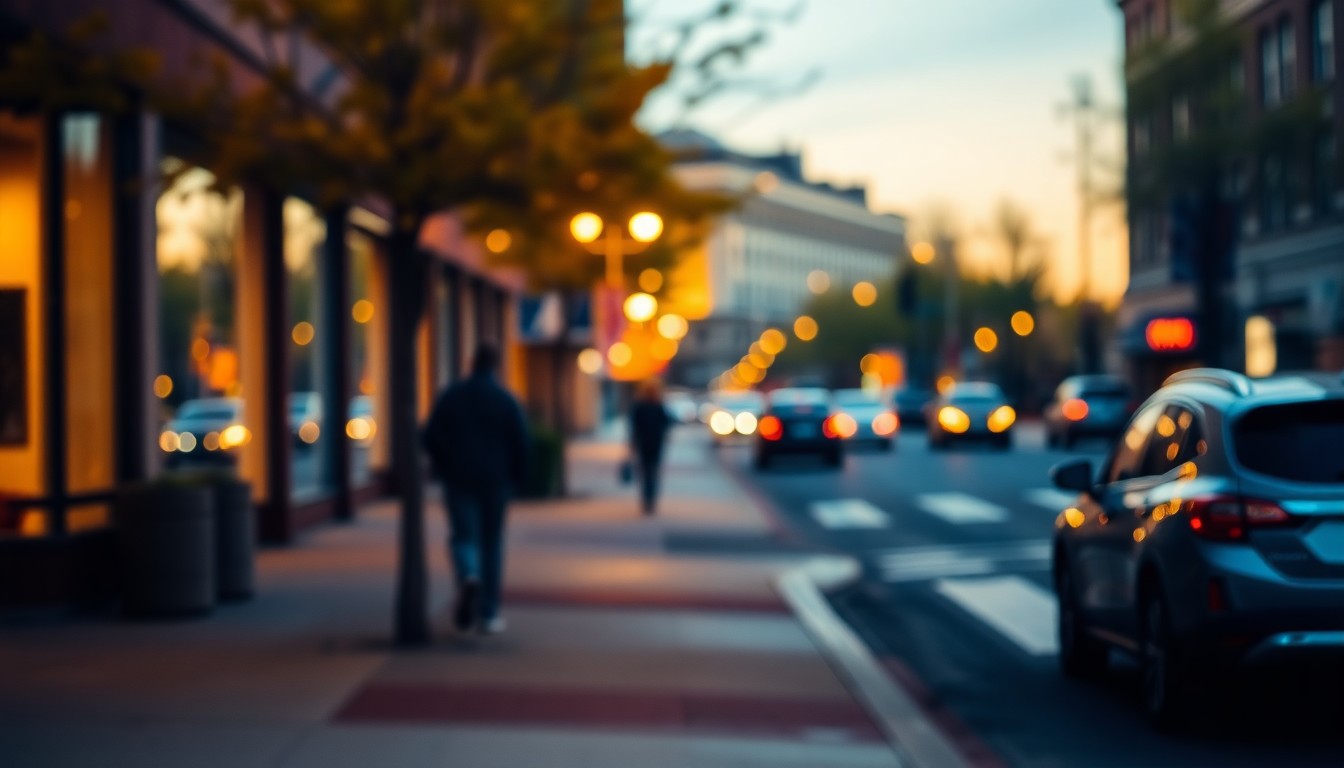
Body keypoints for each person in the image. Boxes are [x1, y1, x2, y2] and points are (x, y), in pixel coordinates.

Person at [421, 343, 529, 635]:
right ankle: (488, 613)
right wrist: (517, 479)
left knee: (462, 535)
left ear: (471, 363)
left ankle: (468, 573)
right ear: (496, 365)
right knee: (492, 542)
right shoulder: (505, 399)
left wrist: (444, 464)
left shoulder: (452, 396)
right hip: (496, 481)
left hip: (458, 478)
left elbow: (429, 435)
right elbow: (521, 442)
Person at [628, 378, 673, 515]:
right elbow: (668, 422)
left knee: (646, 472)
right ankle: (650, 500)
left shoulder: (640, 406)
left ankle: (647, 500)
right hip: (655, 443)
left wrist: (632, 444)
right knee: (652, 472)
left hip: (644, 443)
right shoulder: (658, 405)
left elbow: (634, 427)